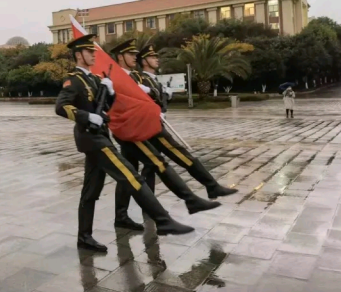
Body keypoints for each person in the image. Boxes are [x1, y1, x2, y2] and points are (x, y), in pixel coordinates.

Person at [55, 34, 194, 252]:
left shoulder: (94, 79)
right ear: (79, 55)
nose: (94, 55)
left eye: (94, 51)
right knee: (130, 175)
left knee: (91, 190)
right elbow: (61, 107)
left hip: (100, 135)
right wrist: (87, 116)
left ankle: (84, 237)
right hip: (91, 138)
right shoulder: (73, 80)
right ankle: (163, 220)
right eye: (90, 52)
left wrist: (109, 92)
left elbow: (106, 106)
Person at [108, 39, 220, 230]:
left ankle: (124, 216)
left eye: (136, 54)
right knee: (156, 163)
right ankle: (185, 204)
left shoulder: (133, 77)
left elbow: (150, 96)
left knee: (130, 174)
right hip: (129, 130)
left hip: (139, 128)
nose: (135, 57)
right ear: (120, 57)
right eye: (130, 54)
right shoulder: (116, 78)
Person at [137, 45, 238, 199]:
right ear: (144, 61)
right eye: (152, 57)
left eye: (156, 56)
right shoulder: (140, 79)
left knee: (151, 165)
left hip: (158, 123)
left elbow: (162, 101)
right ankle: (212, 186)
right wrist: (158, 93)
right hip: (152, 126)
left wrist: (164, 95)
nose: (156, 59)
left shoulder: (155, 80)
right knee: (182, 155)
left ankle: (148, 203)